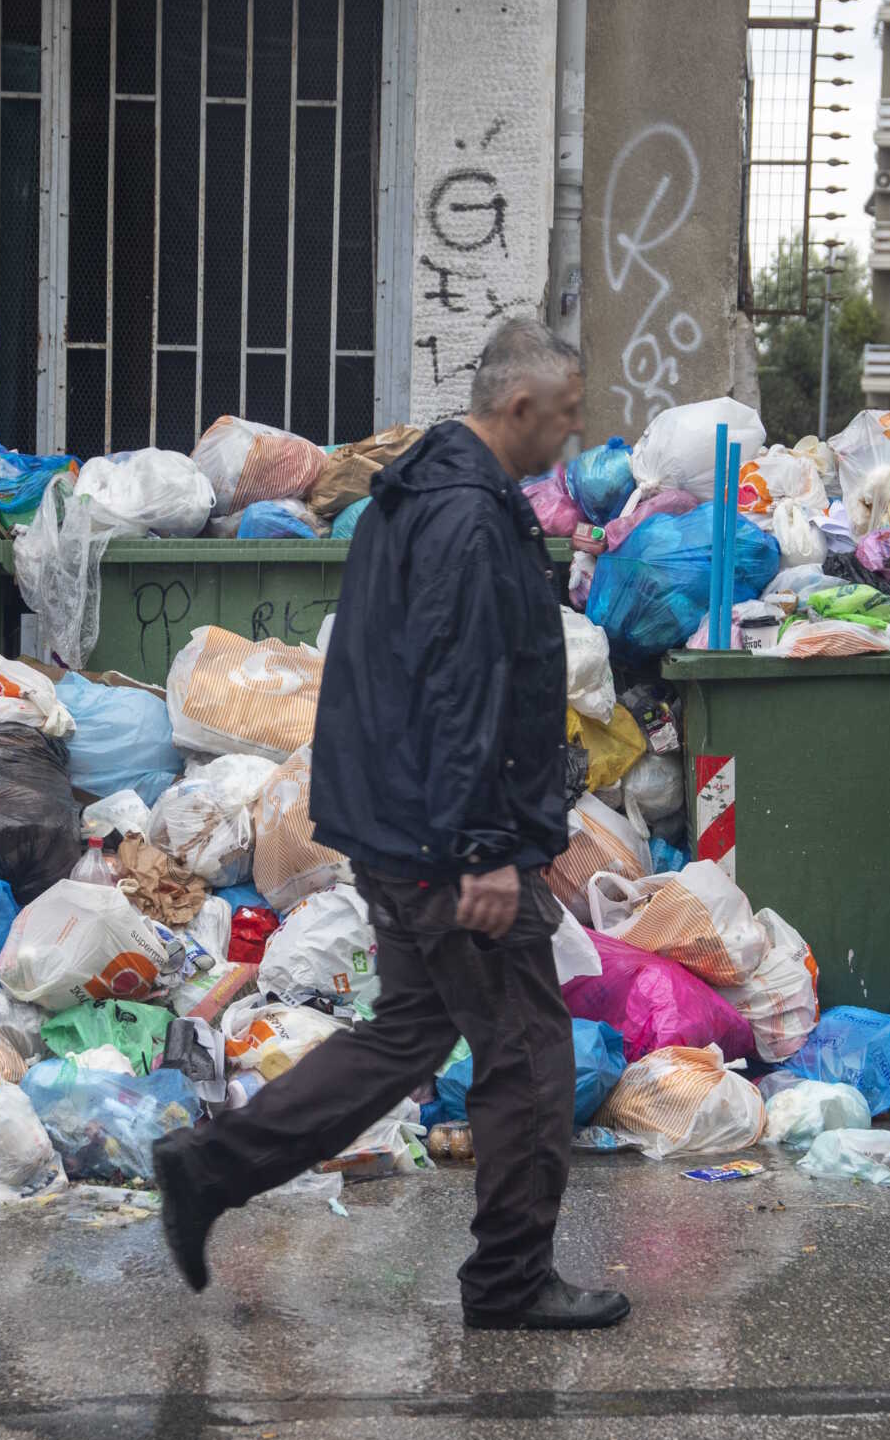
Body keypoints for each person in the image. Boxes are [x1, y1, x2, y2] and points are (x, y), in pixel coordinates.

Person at [153, 318, 628, 1332]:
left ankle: (208, 1169)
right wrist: (486, 852)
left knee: (408, 1035)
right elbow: (459, 696)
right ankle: (508, 1283)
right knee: (530, 1059)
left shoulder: (417, 498)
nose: (573, 436)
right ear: (518, 408)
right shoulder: (462, 518)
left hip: (392, 826)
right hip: (442, 842)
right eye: (567, 416)